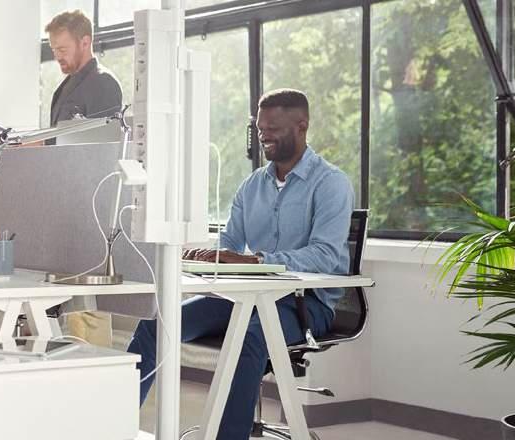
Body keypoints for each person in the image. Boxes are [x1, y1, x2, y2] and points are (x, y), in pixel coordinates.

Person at [127, 89, 353, 439]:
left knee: (251, 337)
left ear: (302, 126)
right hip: (244, 298)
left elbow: (324, 255)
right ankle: (112, 425)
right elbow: (230, 243)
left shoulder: (331, 184)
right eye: (260, 129)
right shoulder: (252, 186)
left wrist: (256, 260)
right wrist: (210, 256)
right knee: (157, 326)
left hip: (305, 304)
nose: (264, 136)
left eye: (273, 129)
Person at [46, 10, 123, 128]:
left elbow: (104, 136)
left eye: (62, 50)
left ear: (85, 43)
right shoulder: (65, 87)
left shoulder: (103, 84)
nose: (57, 57)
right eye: (54, 50)